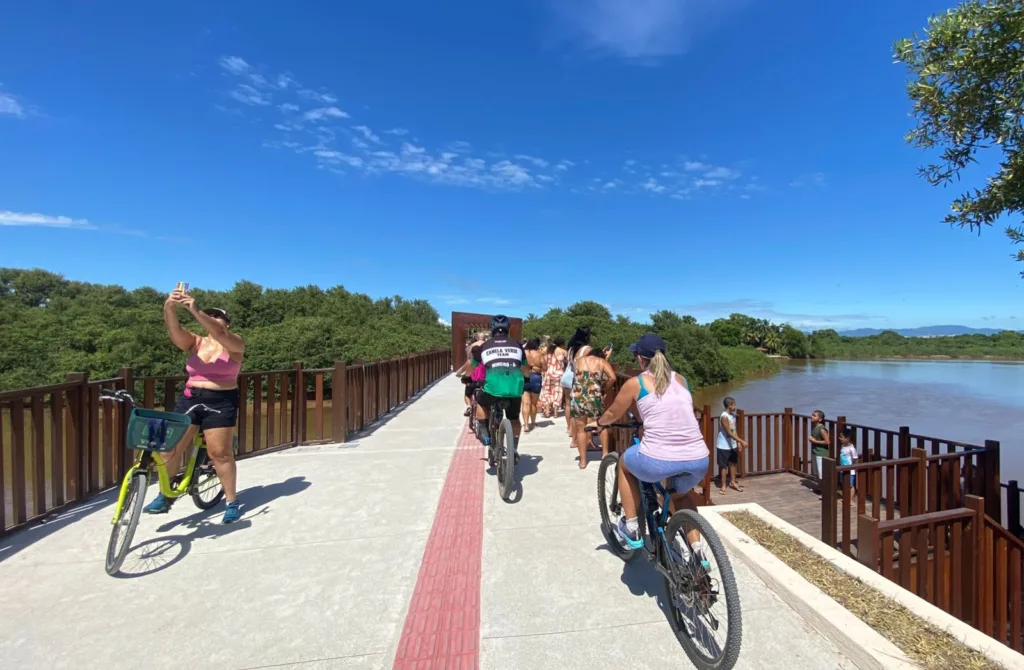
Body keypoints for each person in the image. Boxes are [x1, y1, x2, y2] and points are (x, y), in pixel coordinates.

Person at [589, 333, 709, 560]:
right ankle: (698, 555)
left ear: (640, 359)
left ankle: (632, 526)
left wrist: (598, 424)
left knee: (624, 464)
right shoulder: (681, 380)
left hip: (659, 460)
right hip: (699, 459)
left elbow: (614, 413)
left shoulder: (636, 383)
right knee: (682, 496)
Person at [146, 287, 245, 524]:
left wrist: (195, 310)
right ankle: (165, 494)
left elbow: (219, 334)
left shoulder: (235, 343)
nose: (210, 321)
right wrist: (169, 306)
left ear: (226, 325)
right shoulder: (196, 342)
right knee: (168, 448)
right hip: (191, 399)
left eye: (215, 318)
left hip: (221, 401)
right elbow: (175, 331)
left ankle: (231, 501)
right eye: (207, 318)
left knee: (219, 453)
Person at [474, 315, 530, 458]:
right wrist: (527, 378)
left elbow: (472, 367)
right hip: (514, 388)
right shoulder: (517, 345)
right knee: (514, 418)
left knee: (480, 401)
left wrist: (467, 376)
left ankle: (484, 431)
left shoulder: (484, 346)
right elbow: (525, 368)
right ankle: (514, 449)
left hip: (493, 388)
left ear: (491, 329)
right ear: (508, 328)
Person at [570, 346, 616, 469]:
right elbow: (613, 377)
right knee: (601, 425)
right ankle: (605, 455)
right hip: (595, 398)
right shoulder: (602, 362)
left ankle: (583, 461)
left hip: (578, 398)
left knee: (581, 430)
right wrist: (604, 387)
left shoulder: (579, 360)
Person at [563, 327, 592, 443]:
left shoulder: (571, 348)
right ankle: (585, 438)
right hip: (577, 379)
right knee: (582, 412)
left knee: (568, 405)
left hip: (566, 377)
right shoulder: (586, 349)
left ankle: (570, 429)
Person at [716, 397, 748, 494]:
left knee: (733, 463)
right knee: (723, 466)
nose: (735, 406)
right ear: (729, 405)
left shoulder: (732, 416)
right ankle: (723, 485)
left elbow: (734, 430)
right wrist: (742, 441)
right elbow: (729, 432)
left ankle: (733, 482)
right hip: (723, 445)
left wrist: (737, 442)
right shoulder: (724, 417)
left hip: (732, 444)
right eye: (734, 404)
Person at [455, 332, 488, 416]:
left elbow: (469, 362)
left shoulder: (471, 346)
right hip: (486, 375)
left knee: (468, 391)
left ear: (477, 337)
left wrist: (460, 373)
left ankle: (468, 406)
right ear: (485, 338)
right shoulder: (488, 345)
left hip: (474, 374)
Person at [539, 336, 567, 418]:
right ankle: (555, 413)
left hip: (549, 373)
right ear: (562, 344)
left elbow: (545, 361)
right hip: (559, 374)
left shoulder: (549, 351)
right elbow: (567, 362)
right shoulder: (563, 351)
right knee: (557, 392)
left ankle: (547, 411)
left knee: (547, 392)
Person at [522, 338, 546, 432]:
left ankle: (526, 425)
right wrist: (536, 367)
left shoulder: (523, 354)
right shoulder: (539, 354)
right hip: (536, 378)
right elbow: (545, 368)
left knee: (525, 403)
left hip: (525, 377)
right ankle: (533, 422)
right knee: (533, 403)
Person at [809, 410, 830, 493]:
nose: (812, 417)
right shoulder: (815, 427)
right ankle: (819, 487)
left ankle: (825, 492)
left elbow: (827, 442)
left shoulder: (821, 429)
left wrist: (814, 441)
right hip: (815, 452)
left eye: (814, 416)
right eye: (812, 415)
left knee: (822, 474)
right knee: (817, 472)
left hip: (821, 453)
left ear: (820, 419)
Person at [838, 425, 859, 505]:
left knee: (850, 485)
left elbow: (855, 459)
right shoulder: (843, 446)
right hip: (842, 469)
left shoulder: (852, 449)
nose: (840, 438)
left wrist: (855, 468)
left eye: (842, 437)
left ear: (848, 438)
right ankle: (845, 498)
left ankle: (851, 500)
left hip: (850, 470)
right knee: (843, 483)